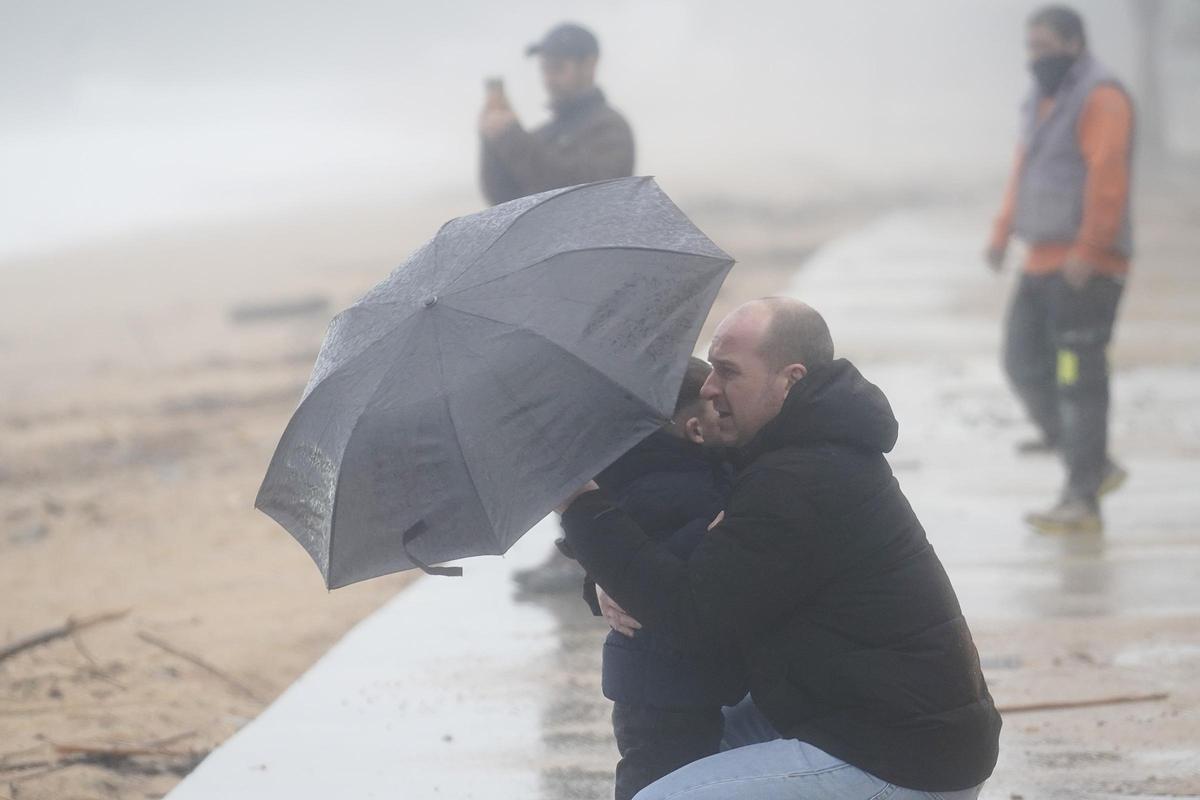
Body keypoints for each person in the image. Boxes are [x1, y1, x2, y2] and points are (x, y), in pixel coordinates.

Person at [558, 299, 1001, 799]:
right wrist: (607, 580)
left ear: (789, 380)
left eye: (728, 372)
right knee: (679, 751)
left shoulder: (803, 479)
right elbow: (696, 558)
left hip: (900, 757)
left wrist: (582, 505)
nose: (708, 388)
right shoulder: (792, 452)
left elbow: (693, 617)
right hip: (867, 724)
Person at [569, 357, 747, 800]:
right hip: (666, 684)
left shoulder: (644, 475)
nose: (724, 410)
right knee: (658, 778)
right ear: (694, 430)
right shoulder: (684, 487)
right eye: (714, 406)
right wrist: (719, 533)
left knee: (659, 770)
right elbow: (658, 562)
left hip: (663, 680)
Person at [986, 4, 1134, 534]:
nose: (1036, 58)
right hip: (1042, 261)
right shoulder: (1042, 99)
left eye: (1046, 48)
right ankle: (1093, 465)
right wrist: (1003, 234)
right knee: (1021, 360)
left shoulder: (1102, 96)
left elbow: (1107, 176)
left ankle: (1081, 497)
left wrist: (1090, 251)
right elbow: (1024, 170)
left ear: (1075, 44)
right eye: (1031, 48)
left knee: (1078, 381)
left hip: (1085, 272)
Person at [478, 22, 635, 206]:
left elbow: (584, 191)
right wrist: (493, 141)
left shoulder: (610, 127)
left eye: (558, 68)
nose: (549, 79)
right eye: (544, 69)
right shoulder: (543, 135)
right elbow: (504, 200)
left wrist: (512, 137)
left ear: (589, 65)